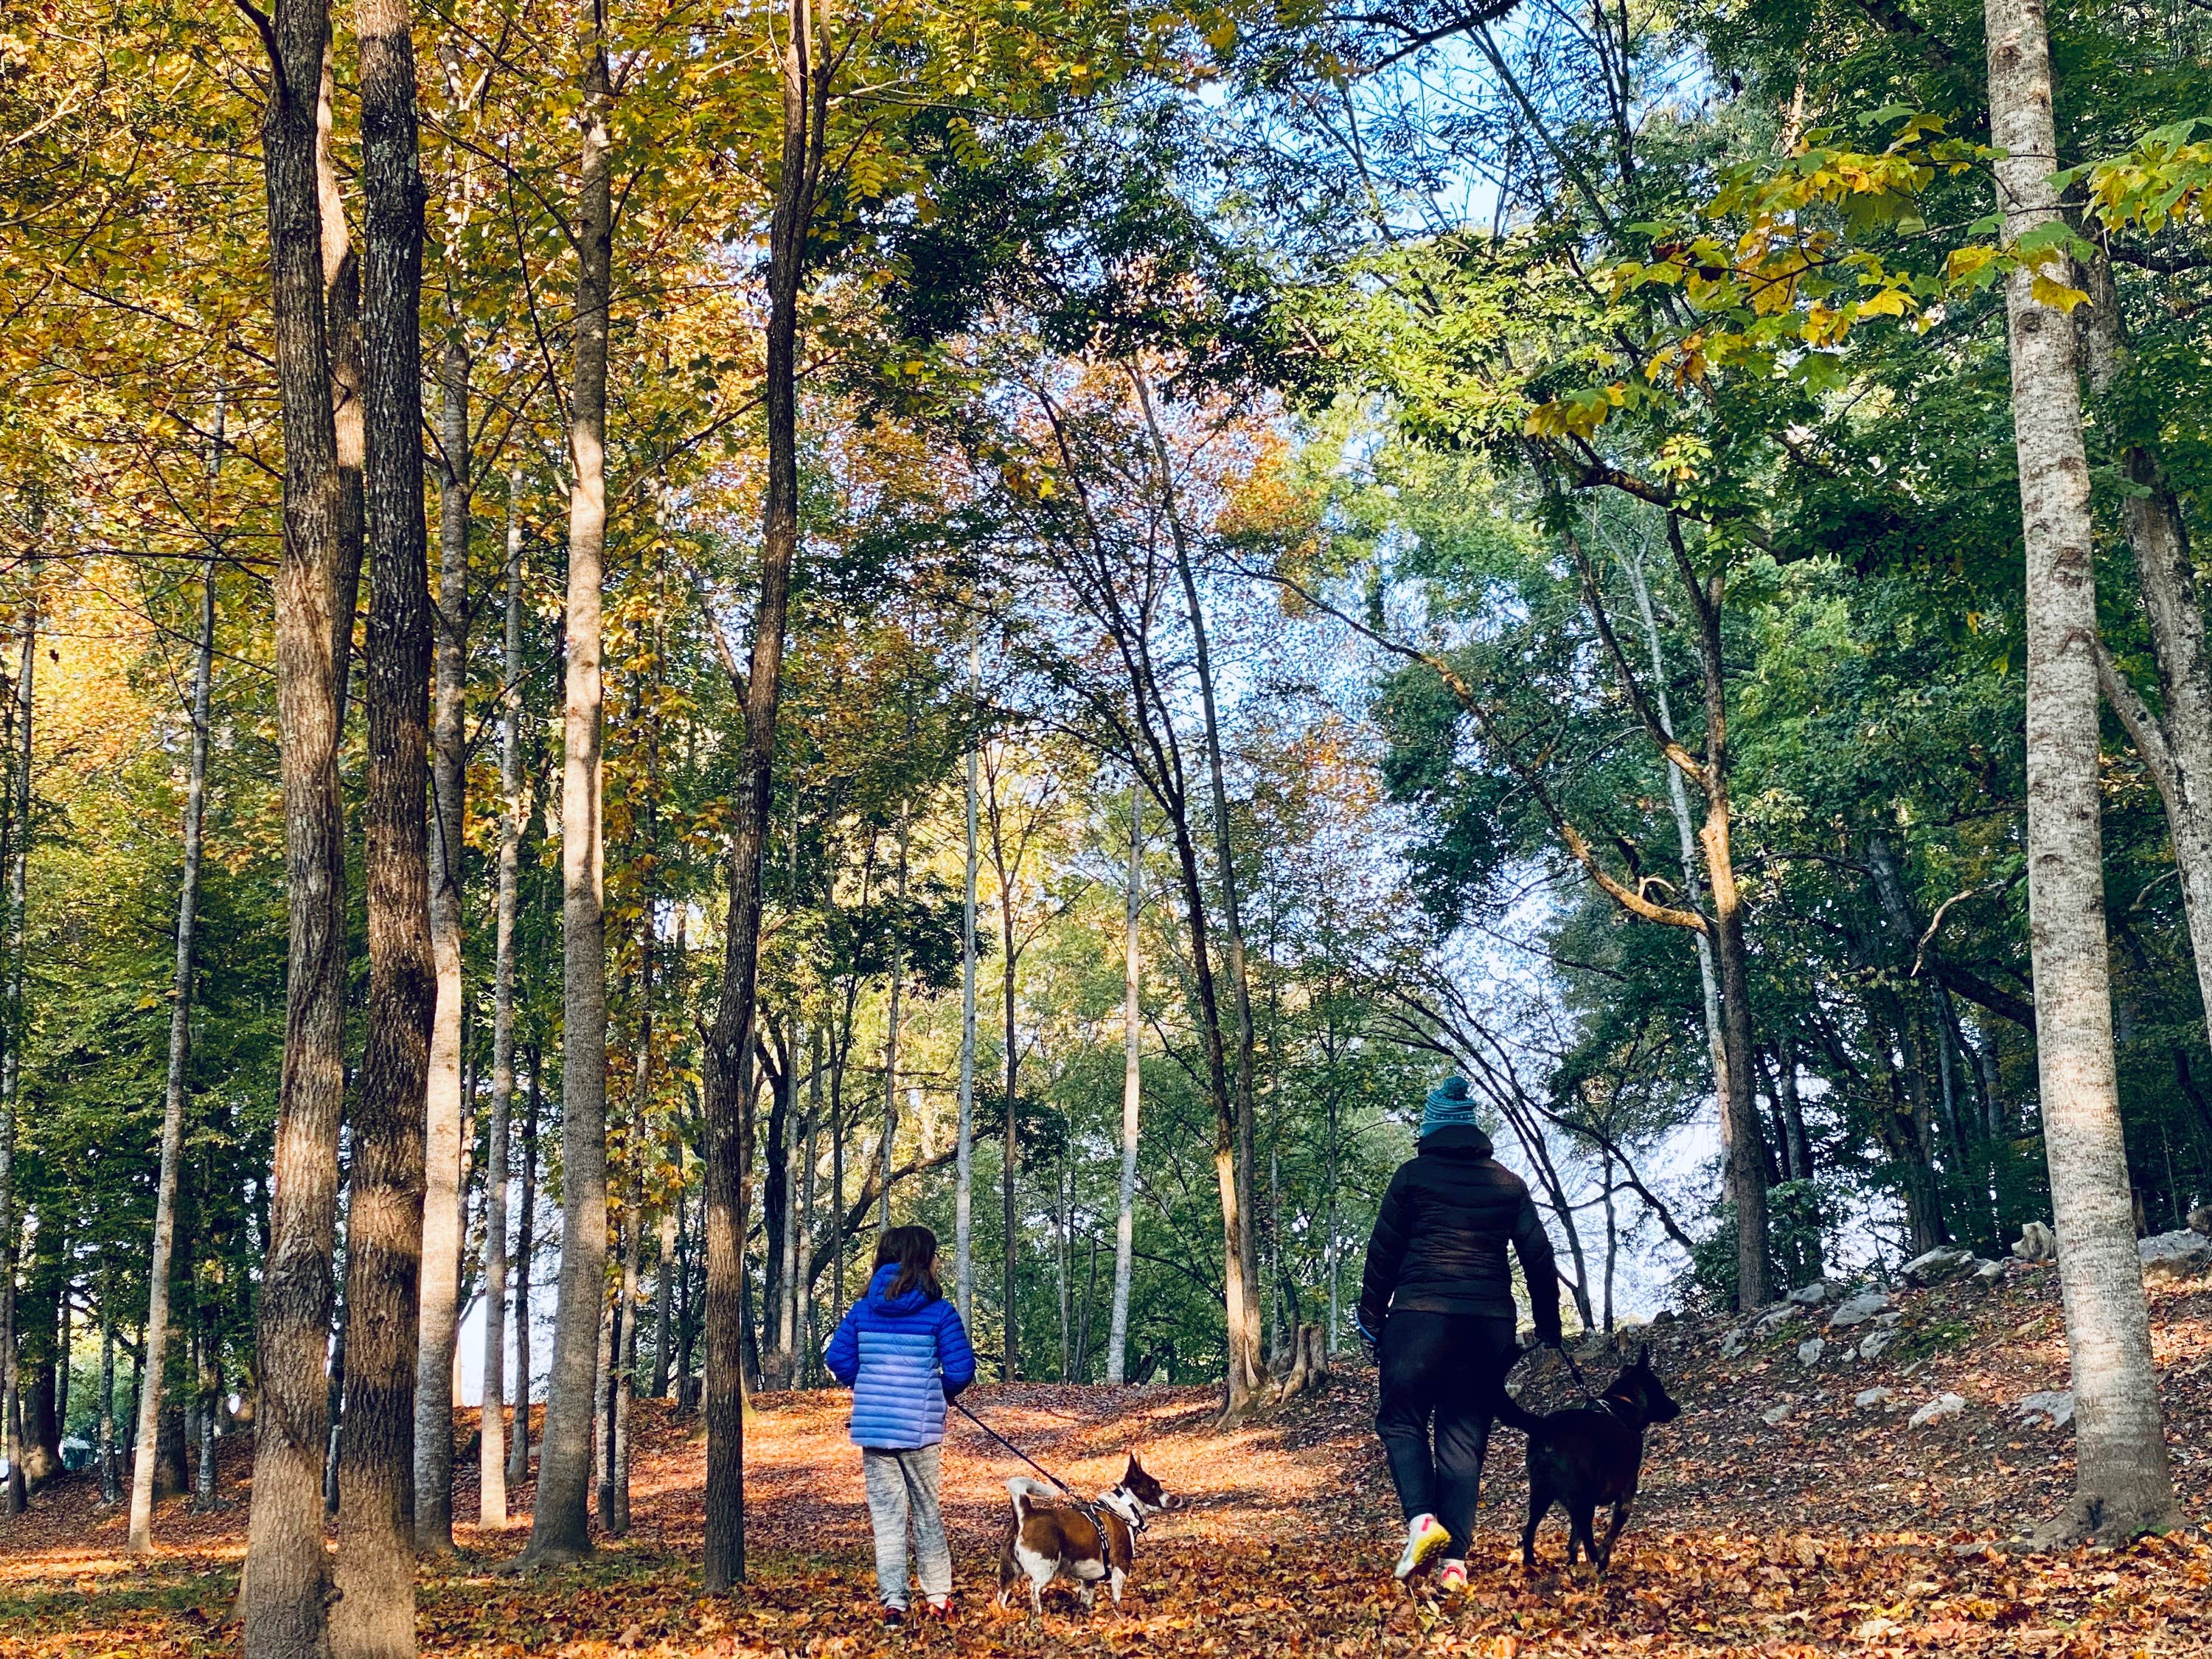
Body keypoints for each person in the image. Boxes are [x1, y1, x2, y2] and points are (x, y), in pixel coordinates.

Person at [1357, 1075, 1561, 1591]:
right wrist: (1549, 1324)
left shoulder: (1411, 1178)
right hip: (1487, 1327)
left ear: (1430, 1131)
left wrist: (1371, 1320)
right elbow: (1538, 1256)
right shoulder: (1508, 1184)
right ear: (1472, 1132)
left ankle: (1423, 1522)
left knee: (1401, 1419)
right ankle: (1454, 1565)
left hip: (1420, 1319)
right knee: (1463, 1440)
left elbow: (1382, 1256)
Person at [824, 1223, 978, 1626]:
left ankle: (894, 1604)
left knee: (888, 1519)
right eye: (934, 1255)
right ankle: (939, 1598)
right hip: (920, 1430)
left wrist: (869, 1384)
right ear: (923, 1259)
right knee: (928, 1512)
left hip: (876, 1429)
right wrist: (937, 1391)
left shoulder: (862, 1310)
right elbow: (961, 1368)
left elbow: (838, 1359)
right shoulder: (939, 1311)